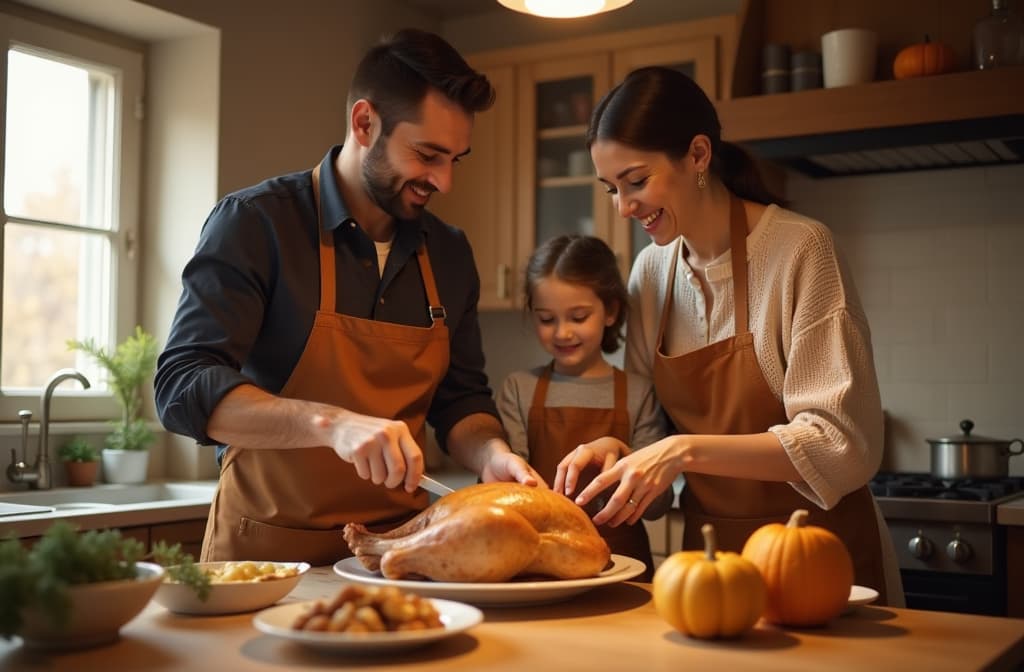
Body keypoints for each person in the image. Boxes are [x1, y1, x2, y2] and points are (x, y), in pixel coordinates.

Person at [154, 28, 541, 566]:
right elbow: (181, 386)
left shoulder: (449, 253)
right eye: (428, 155)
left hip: (399, 558)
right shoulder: (257, 224)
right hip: (263, 561)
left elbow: (461, 402)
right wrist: (333, 425)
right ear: (365, 123)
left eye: (456, 159)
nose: (444, 182)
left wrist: (492, 453)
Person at [555, 66, 903, 604]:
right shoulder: (651, 273)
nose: (623, 207)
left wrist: (683, 451)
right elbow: (655, 445)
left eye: (637, 181)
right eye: (611, 189)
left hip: (821, 564)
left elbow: (842, 446)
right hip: (709, 566)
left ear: (698, 155)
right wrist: (619, 454)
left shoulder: (801, 250)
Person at [497, 234, 673, 580]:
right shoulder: (519, 389)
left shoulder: (639, 392)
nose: (562, 333)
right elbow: (504, 490)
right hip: (538, 569)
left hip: (625, 570)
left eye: (578, 317)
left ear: (610, 311)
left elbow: (660, 506)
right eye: (546, 319)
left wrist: (625, 461)